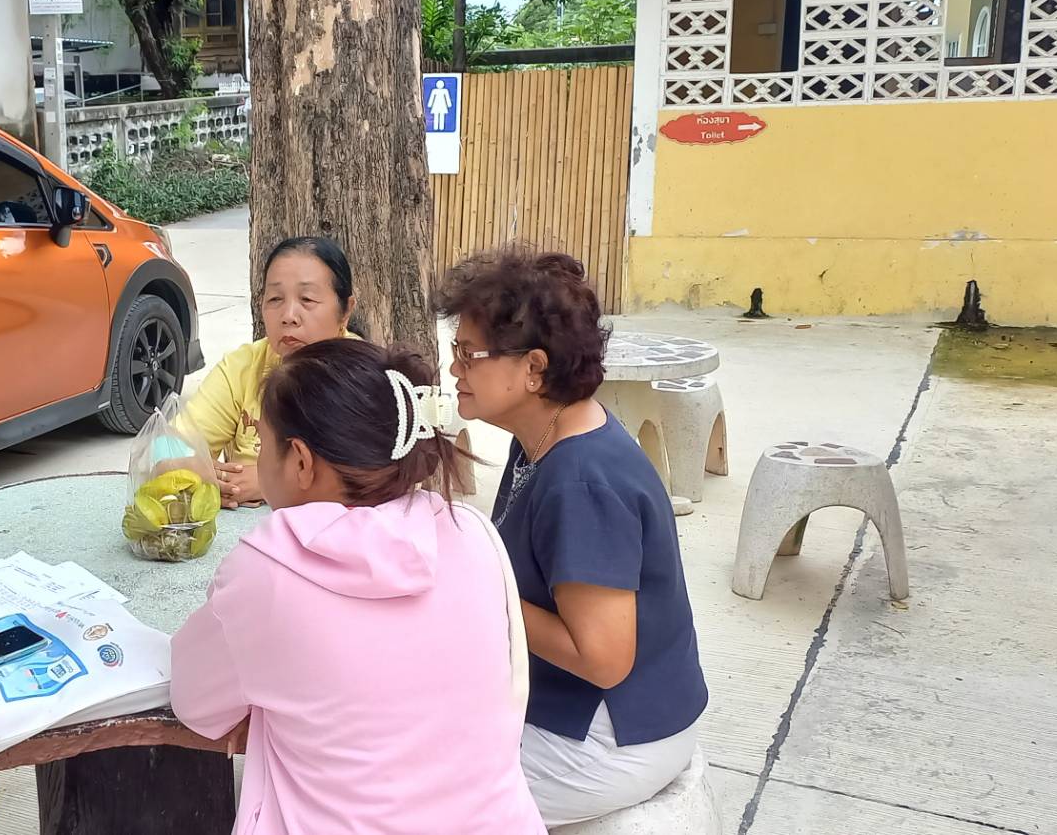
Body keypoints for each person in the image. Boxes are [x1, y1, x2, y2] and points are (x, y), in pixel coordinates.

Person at [170, 338, 545, 835]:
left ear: (301, 462)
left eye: (263, 443)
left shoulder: (267, 571)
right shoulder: (471, 534)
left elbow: (196, 704)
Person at [440, 248, 709, 825]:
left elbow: (605, 658)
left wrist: (482, 585)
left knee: (400, 785)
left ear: (534, 368)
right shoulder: (542, 435)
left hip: (613, 739)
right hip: (590, 713)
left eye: (468, 354)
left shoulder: (581, 481)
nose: (455, 369)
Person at [176, 235, 359, 508]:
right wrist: (198, 472)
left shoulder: (367, 377)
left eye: (307, 299)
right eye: (275, 298)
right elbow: (163, 448)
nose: (288, 315)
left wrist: (271, 481)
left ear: (345, 312)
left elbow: (382, 477)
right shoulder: (241, 369)